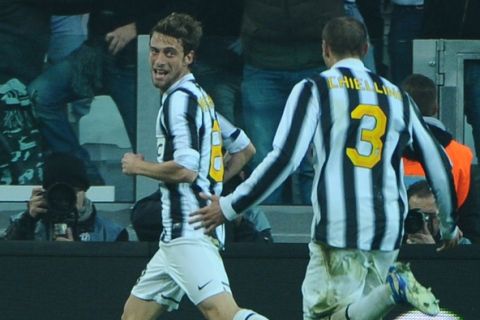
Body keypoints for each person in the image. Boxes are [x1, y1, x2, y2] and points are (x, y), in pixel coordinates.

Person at [190, 16, 461, 320]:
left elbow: (285, 159)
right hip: (387, 231)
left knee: (321, 316)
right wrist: (449, 224)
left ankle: (393, 291)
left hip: (339, 228)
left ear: (325, 49)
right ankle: (399, 295)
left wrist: (228, 206)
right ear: (366, 48)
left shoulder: (315, 88)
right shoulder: (398, 96)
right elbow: (440, 162)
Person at [120, 13, 268, 320]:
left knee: (223, 313)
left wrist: (138, 167)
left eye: (170, 52)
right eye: (155, 50)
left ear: (189, 57)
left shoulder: (177, 101)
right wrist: (210, 185)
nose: (159, 60)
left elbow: (185, 169)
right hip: (178, 237)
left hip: (188, 230)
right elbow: (244, 149)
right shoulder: (202, 99)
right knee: (133, 316)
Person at [3, 152, 128, 241]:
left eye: (71, 191)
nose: (64, 199)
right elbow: (6, 262)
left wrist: (73, 254)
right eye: (58, 193)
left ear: (84, 191)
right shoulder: (27, 223)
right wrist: (28, 220)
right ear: (46, 193)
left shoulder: (111, 234)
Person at [401, 73, 473, 208]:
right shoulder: (462, 154)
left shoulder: (385, 150)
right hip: (442, 227)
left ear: (401, 107)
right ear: (435, 108)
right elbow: (467, 214)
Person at [405, 180, 471, 245]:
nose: (423, 223)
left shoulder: (458, 244)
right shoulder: (396, 240)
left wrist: (429, 249)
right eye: (415, 216)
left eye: (429, 217)